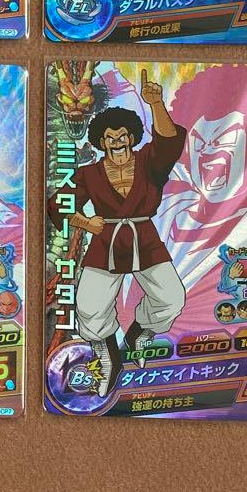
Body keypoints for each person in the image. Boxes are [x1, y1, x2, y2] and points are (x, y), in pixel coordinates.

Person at [47, 70, 186, 397]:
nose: (117, 141)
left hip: (143, 237)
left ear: (132, 136)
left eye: (123, 135)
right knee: (88, 305)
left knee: (171, 298)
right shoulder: (89, 173)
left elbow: (169, 143)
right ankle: (109, 356)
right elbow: (58, 204)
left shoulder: (149, 161)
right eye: (110, 137)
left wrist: (155, 104)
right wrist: (86, 223)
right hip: (106, 239)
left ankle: (140, 332)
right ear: (101, 141)